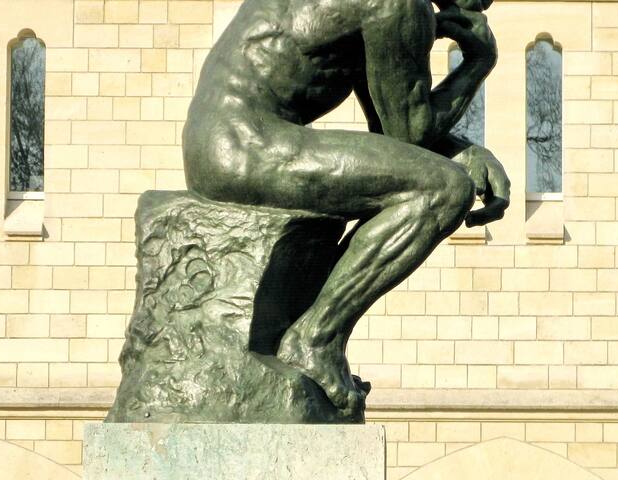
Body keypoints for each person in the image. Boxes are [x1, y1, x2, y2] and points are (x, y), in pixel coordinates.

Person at [182, 0, 511, 410]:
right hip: (246, 145)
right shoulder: (399, 5)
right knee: (443, 190)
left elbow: (393, 131)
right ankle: (315, 340)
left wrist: (463, 151)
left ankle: (309, 331)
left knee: (434, 180)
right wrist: (478, 61)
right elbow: (411, 131)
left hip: (221, 141)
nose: (483, 4)